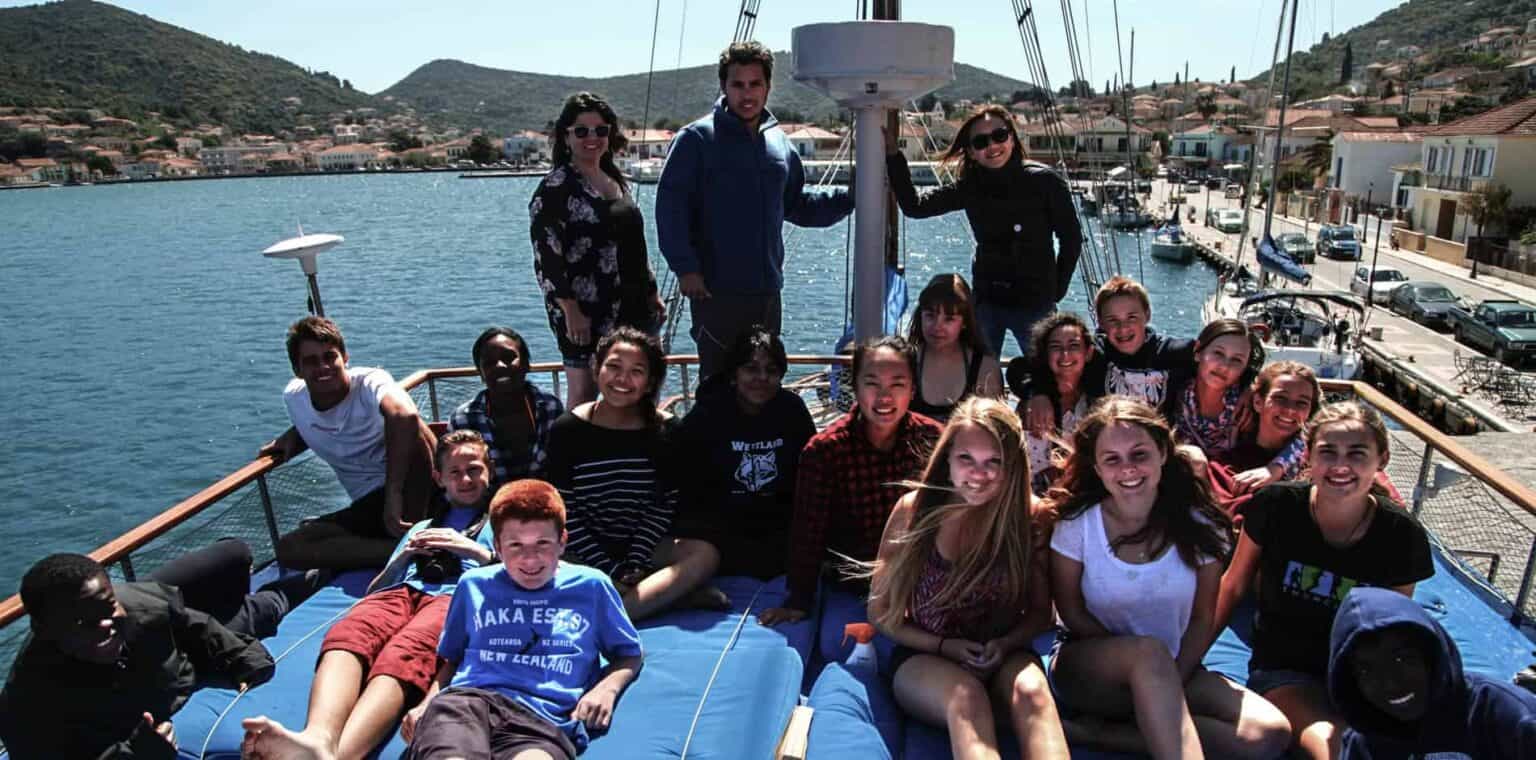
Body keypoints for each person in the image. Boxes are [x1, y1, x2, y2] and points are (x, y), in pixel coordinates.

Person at [244, 480, 645, 760]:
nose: (529, 559)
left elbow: (629, 655)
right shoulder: (474, 585)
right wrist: (428, 702)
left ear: (563, 542)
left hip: (543, 716)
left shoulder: (590, 587)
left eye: (543, 544)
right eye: (515, 546)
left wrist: (606, 689)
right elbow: (451, 659)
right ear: (498, 547)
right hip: (465, 704)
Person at [1046, 397, 1291, 759]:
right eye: (1112, 459)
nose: (1128, 468)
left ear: (1163, 453)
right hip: (1090, 668)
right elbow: (1071, 612)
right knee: (1147, 654)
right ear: (1097, 468)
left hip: (1176, 665)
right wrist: (1143, 669)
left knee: (1268, 734)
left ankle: (1096, 735)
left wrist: (1168, 679)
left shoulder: (1202, 525)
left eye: (1139, 454)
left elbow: (1201, 618)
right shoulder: (1077, 526)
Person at [240, 431, 500, 760]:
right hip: (400, 592)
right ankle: (317, 737)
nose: (465, 479)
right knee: (351, 632)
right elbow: (375, 590)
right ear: (439, 478)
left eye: (474, 469)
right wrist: (404, 555)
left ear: (489, 472)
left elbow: (520, 579)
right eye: (455, 472)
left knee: (407, 650)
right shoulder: (421, 526)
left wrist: (473, 550)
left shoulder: (502, 525)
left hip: (452, 597)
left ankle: (342, 754)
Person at [1213, 401, 1435, 760]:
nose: (1341, 466)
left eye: (1357, 453)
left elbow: (1394, 625)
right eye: (1327, 452)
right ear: (1308, 458)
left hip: (1362, 670)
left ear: (1382, 460)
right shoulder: (1275, 507)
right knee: (1331, 742)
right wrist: (1187, 661)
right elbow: (1233, 585)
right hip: (1284, 666)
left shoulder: (1401, 535)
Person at [864, 397, 1069, 758]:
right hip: (925, 654)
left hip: (1004, 652)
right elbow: (880, 613)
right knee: (967, 700)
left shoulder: (1031, 518)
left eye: (994, 462)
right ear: (947, 459)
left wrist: (1005, 644)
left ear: (1013, 467)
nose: (979, 475)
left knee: (1035, 697)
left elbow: (1040, 613)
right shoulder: (914, 512)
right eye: (966, 460)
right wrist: (945, 647)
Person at [655, 41, 854, 378]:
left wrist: (852, 196)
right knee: (719, 384)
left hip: (767, 292)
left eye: (755, 84)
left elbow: (797, 205)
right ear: (724, 87)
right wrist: (686, 268)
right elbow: (670, 209)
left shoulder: (780, 144)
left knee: (763, 381)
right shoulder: (696, 140)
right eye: (738, 84)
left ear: (768, 86)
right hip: (715, 292)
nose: (747, 94)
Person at [0, 553, 276, 760]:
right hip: (135, 725)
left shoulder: (141, 608)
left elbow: (197, 625)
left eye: (108, 608)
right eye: (83, 623)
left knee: (260, 605)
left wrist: (243, 656)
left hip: (184, 663)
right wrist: (131, 754)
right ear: (46, 631)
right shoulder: (27, 702)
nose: (105, 624)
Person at [544, 326, 726, 620]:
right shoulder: (568, 430)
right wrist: (609, 568)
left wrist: (634, 562)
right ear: (596, 369)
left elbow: (662, 505)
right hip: (583, 548)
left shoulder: (666, 430)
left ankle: (616, 614)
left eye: (636, 371)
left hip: (644, 547)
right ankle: (658, 597)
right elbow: (565, 513)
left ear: (650, 382)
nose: (622, 379)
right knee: (537, 563)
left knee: (705, 555)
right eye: (613, 367)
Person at [760, 335, 943, 625]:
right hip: (853, 585)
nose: (884, 397)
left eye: (897, 384)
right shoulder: (824, 452)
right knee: (839, 644)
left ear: (913, 389)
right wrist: (799, 601)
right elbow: (808, 533)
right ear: (855, 386)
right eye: (872, 383)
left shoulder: (935, 440)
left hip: (921, 580)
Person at [886, 104, 1082, 357]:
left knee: (1045, 374)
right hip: (988, 300)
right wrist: (893, 156)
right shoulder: (970, 188)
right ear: (971, 151)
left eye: (999, 136)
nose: (992, 146)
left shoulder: (1044, 182)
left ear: (1012, 137)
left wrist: (1057, 289)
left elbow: (1071, 239)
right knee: (981, 375)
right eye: (980, 142)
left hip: (1036, 301)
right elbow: (916, 207)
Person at [262, 316, 437, 571]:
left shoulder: (369, 382)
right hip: (368, 502)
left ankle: (408, 537)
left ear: (345, 358)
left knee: (414, 427)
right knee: (289, 549)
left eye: (330, 356)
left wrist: (394, 494)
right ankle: (407, 549)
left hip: (415, 485)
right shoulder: (294, 398)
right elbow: (324, 418)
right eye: (311, 361)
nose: (323, 367)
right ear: (297, 371)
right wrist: (294, 436)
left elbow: (404, 414)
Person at [531, 92, 665, 408]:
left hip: (634, 304)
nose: (592, 138)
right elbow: (546, 258)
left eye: (600, 130)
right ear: (565, 137)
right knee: (584, 397)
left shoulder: (615, 179)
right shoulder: (555, 187)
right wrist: (570, 310)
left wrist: (652, 291)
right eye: (581, 131)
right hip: (585, 313)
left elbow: (634, 243)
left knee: (646, 389)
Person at [672, 327, 817, 580]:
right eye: (751, 369)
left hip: (777, 525)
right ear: (734, 373)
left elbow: (813, 471)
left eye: (771, 371)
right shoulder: (707, 414)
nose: (761, 378)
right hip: (721, 526)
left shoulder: (793, 411)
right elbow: (685, 479)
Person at [1328, 587, 1536, 759]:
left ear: (1431, 656)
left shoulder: (1513, 719)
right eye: (1367, 671)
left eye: (1402, 659)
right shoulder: (1364, 743)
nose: (1390, 683)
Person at [1023, 276, 1193, 435]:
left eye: (1132, 317)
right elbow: (1021, 368)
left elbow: (1208, 354)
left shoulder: (1172, 353)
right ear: (1100, 322)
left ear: (1147, 315)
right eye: (1113, 320)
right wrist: (1038, 393)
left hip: (1158, 446)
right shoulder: (1095, 353)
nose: (1123, 328)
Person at [449, 326, 565, 487]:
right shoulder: (463, 419)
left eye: (509, 358)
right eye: (489, 362)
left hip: (544, 502)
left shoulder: (550, 408)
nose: (500, 366)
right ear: (481, 373)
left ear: (526, 364)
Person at [1205, 362, 1321, 515]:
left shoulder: (1318, 462)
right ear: (1258, 402)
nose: (1290, 409)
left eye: (1302, 403)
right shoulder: (1226, 466)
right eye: (1280, 398)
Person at [1008, 312, 1098, 494]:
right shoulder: (1033, 403)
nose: (1065, 355)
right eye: (1056, 347)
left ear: (1088, 353)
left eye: (1073, 346)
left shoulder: (1097, 397)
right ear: (1046, 354)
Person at [905, 274, 1003, 424]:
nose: (937, 327)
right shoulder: (904, 363)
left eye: (949, 319)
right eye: (930, 316)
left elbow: (992, 431)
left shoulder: (985, 370)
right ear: (921, 317)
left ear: (964, 322)